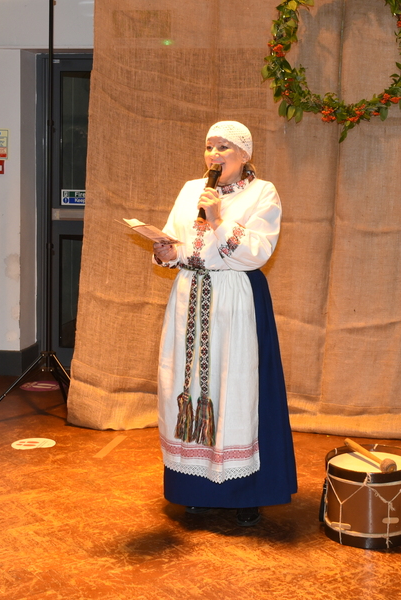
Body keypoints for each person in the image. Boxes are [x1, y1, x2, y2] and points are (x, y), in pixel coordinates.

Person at [152, 121, 297, 526]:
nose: (213, 155)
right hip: (189, 297)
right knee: (187, 388)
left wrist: (217, 219)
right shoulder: (190, 190)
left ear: (245, 155)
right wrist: (166, 252)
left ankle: (245, 493)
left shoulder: (262, 192)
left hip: (234, 300)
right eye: (209, 147)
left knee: (235, 389)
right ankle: (194, 489)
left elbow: (257, 253)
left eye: (224, 148)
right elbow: (177, 243)